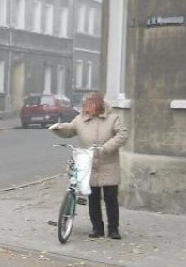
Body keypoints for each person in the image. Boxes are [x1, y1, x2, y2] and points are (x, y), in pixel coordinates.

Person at [50, 91, 129, 239]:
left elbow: (122, 135)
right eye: (85, 105)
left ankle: (113, 229)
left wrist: (106, 148)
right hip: (89, 164)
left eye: (89, 105)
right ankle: (97, 228)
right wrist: (58, 128)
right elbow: (71, 129)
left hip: (108, 164)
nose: (86, 108)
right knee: (93, 198)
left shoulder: (112, 118)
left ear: (97, 105)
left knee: (111, 198)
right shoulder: (80, 119)